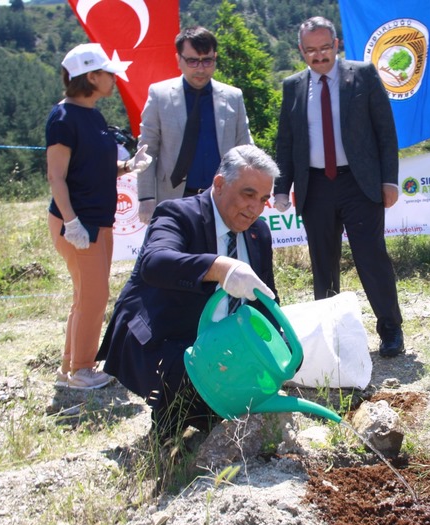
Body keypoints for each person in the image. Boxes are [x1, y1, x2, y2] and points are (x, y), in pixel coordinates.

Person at [96, 145, 279, 440]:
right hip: (164, 335)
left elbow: (268, 300)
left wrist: (281, 347)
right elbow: (154, 263)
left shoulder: (258, 233)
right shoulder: (178, 214)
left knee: (242, 409)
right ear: (219, 184)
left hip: (224, 342)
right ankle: (165, 439)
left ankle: (206, 421)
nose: (255, 208)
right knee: (191, 379)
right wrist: (220, 267)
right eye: (248, 194)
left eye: (263, 199)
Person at [273, 16, 405, 358]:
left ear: (337, 45)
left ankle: (390, 329)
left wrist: (389, 180)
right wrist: (280, 187)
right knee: (323, 263)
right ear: (301, 51)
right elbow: (285, 142)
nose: (319, 56)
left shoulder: (363, 75)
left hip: (359, 183)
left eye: (325, 48)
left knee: (371, 257)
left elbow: (385, 132)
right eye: (311, 50)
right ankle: (330, 333)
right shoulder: (293, 86)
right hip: (314, 186)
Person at [46, 43, 151, 390]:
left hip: (96, 220)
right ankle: (82, 369)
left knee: (85, 295)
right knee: (93, 295)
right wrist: (71, 221)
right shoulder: (63, 118)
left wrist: (128, 166)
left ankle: (69, 368)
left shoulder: (92, 114)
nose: (113, 78)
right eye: (107, 73)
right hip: (79, 221)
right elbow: (56, 176)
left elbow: (93, 167)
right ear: (90, 77)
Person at [136, 26, 253, 224]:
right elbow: (147, 150)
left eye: (207, 60)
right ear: (178, 60)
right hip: (174, 200)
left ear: (215, 58)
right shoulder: (159, 95)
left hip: (223, 200)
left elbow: (246, 149)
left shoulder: (233, 97)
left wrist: (250, 192)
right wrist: (146, 198)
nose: (200, 69)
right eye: (192, 61)